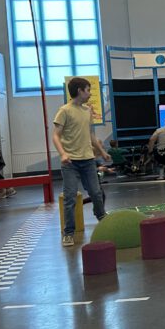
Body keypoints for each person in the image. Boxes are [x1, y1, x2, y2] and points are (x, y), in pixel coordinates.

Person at [53, 77, 109, 247]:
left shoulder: (87, 111)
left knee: (96, 193)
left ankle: (101, 217)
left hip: (88, 160)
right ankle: (68, 233)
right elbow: (55, 136)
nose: (90, 93)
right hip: (70, 163)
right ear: (79, 91)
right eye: (88, 90)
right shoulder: (64, 111)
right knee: (70, 197)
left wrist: (102, 152)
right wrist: (63, 154)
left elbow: (91, 135)